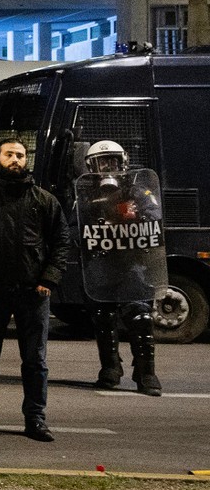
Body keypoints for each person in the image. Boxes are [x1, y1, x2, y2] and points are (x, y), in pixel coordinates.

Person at [0, 139, 69, 443]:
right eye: (9, 155)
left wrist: (49, 279)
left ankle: (35, 419)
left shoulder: (44, 200)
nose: (16, 159)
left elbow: (61, 242)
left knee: (35, 361)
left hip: (34, 293)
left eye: (20, 155)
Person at [80, 140, 163, 397]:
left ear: (123, 162)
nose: (107, 167)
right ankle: (111, 368)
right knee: (104, 318)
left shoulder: (137, 192)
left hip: (132, 265)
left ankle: (146, 372)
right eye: (101, 163)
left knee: (141, 317)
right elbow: (73, 227)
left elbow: (155, 218)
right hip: (102, 265)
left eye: (112, 162)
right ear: (91, 166)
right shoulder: (84, 197)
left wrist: (137, 216)